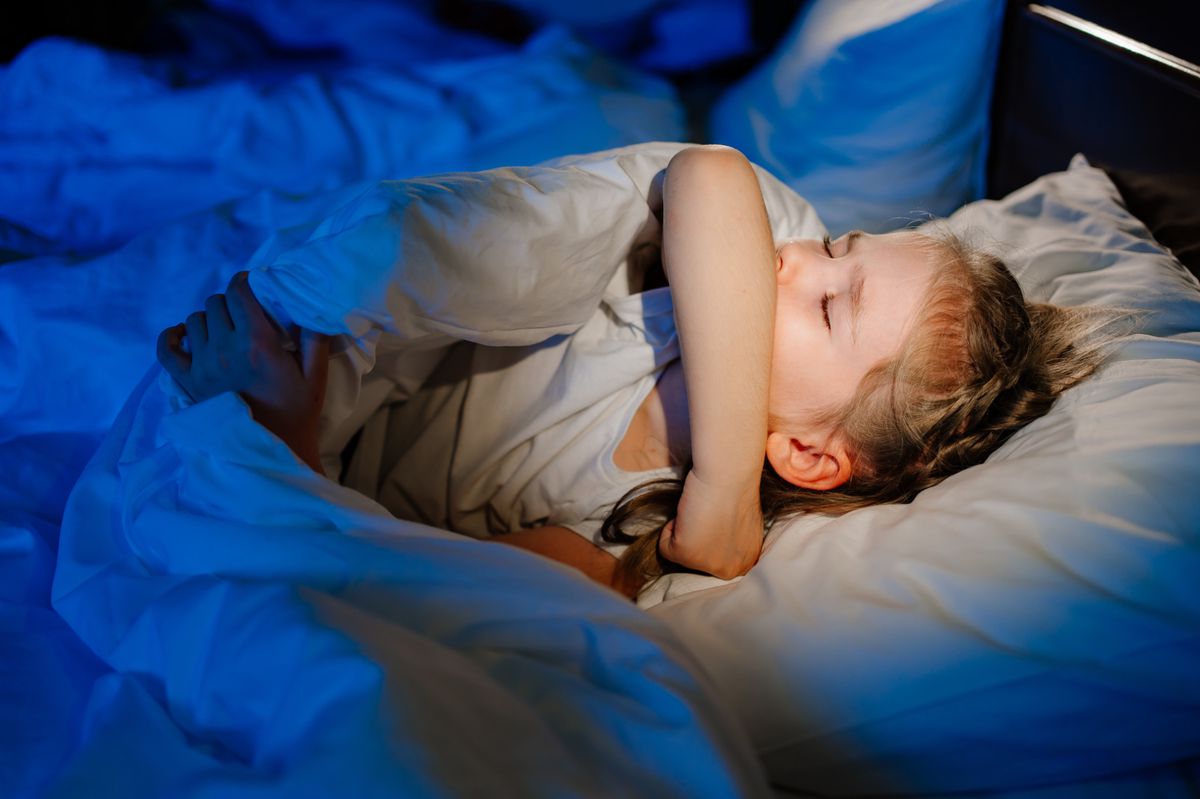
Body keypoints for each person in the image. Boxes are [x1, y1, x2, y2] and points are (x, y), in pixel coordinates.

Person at [157, 145, 1112, 601]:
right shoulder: (689, 298)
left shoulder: (615, 532)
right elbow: (711, 176)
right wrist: (727, 489)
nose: (794, 261)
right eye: (836, 246)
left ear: (813, 456)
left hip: (315, 455)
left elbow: (385, 583)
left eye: (830, 303)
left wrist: (279, 445)